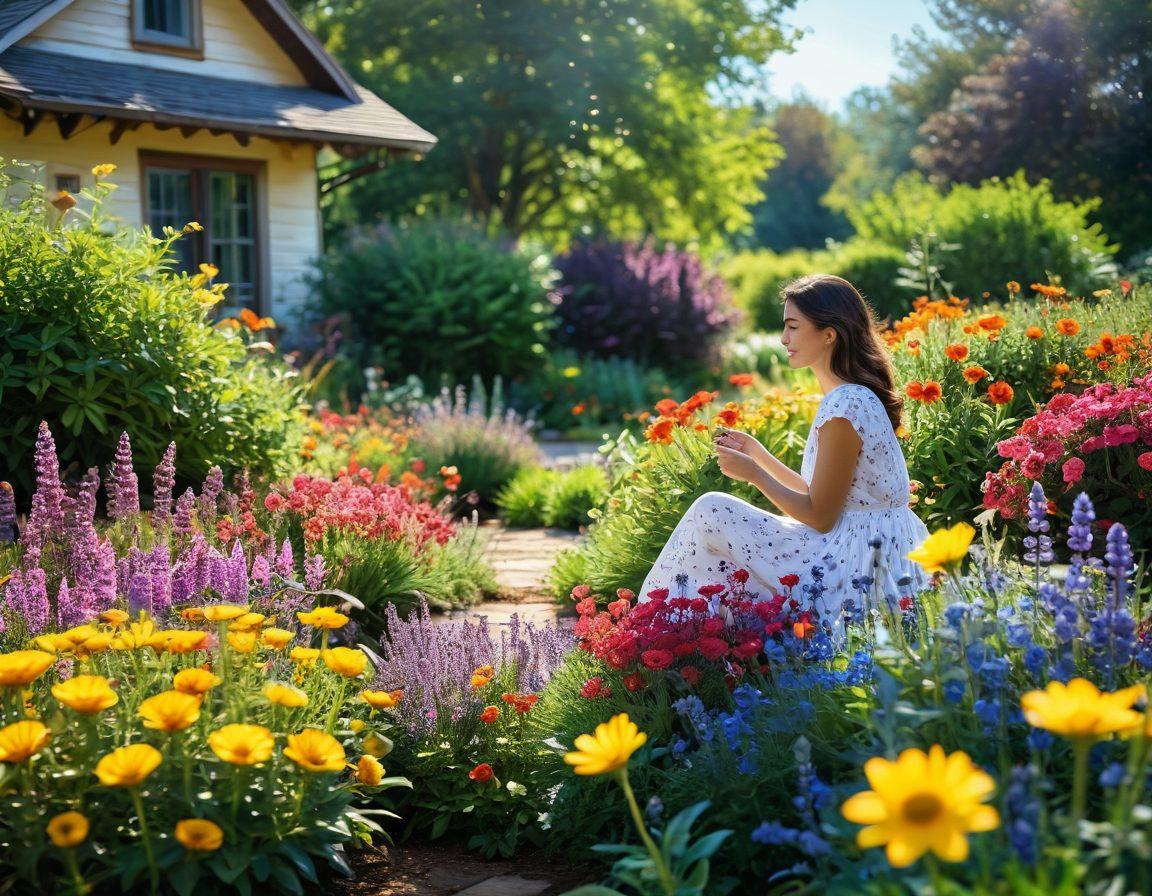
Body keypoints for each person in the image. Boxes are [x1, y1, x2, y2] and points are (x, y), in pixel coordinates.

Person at [639, 273, 929, 623]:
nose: (783, 338)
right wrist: (760, 455)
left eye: (793, 327)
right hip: (862, 546)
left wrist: (755, 474)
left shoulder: (846, 407)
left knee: (711, 511)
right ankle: (681, 630)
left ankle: (656, 629)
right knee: (712, 515)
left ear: (828, 334)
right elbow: (823, 495)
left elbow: (821, 517)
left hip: (855, 563)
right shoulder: (850, 399)